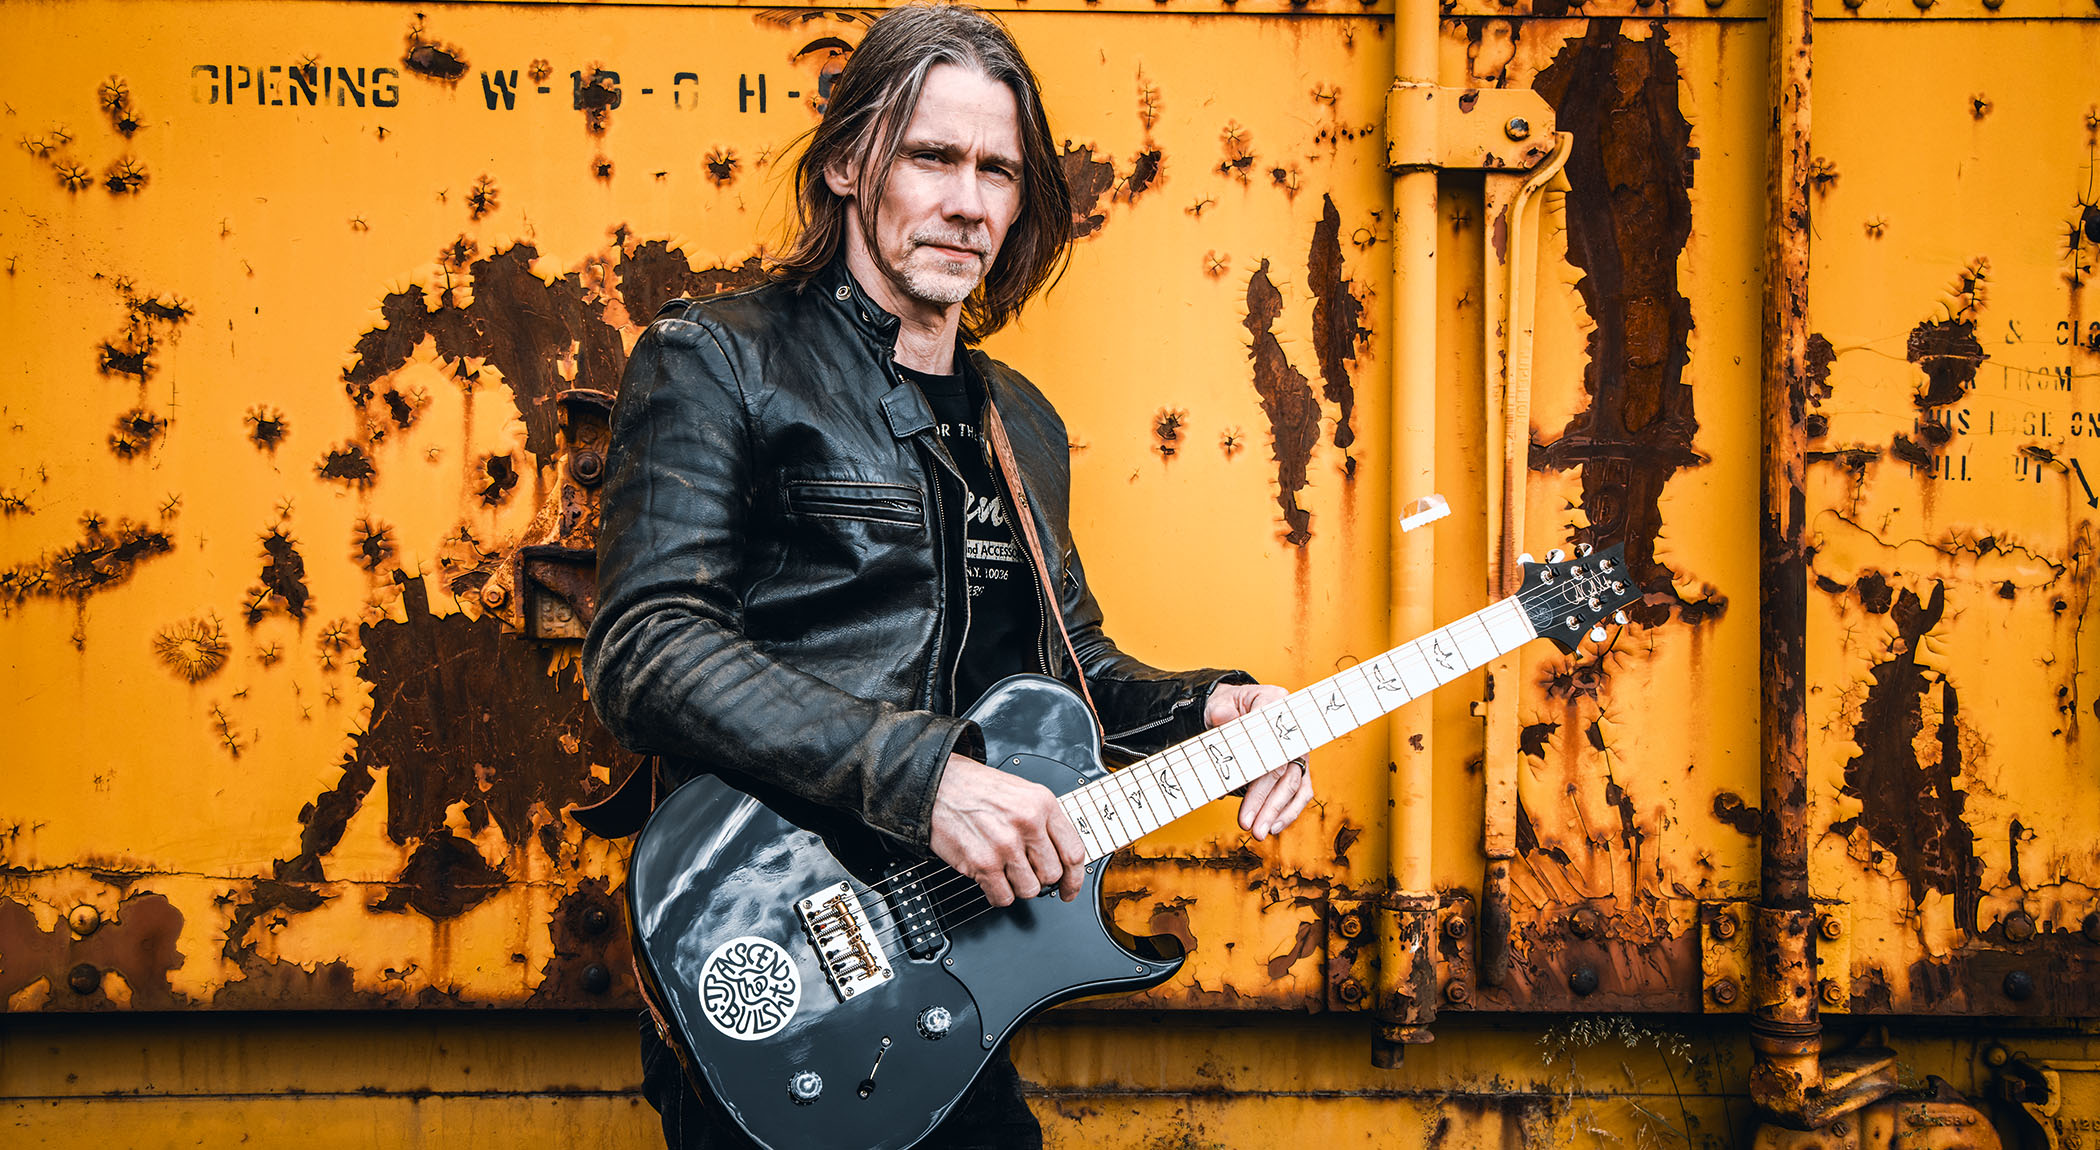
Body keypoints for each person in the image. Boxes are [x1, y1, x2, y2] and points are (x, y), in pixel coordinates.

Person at [581, 5, 1314, 1146]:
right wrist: (927, 781)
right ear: (844, 163)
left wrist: (1210, 708)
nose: (968, 201)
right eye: (933, 156)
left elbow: (1075, 673)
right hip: (774, 937)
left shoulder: (1018, 418)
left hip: (947, 981)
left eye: (998, 170)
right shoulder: (719, 358)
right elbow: (646, 649)